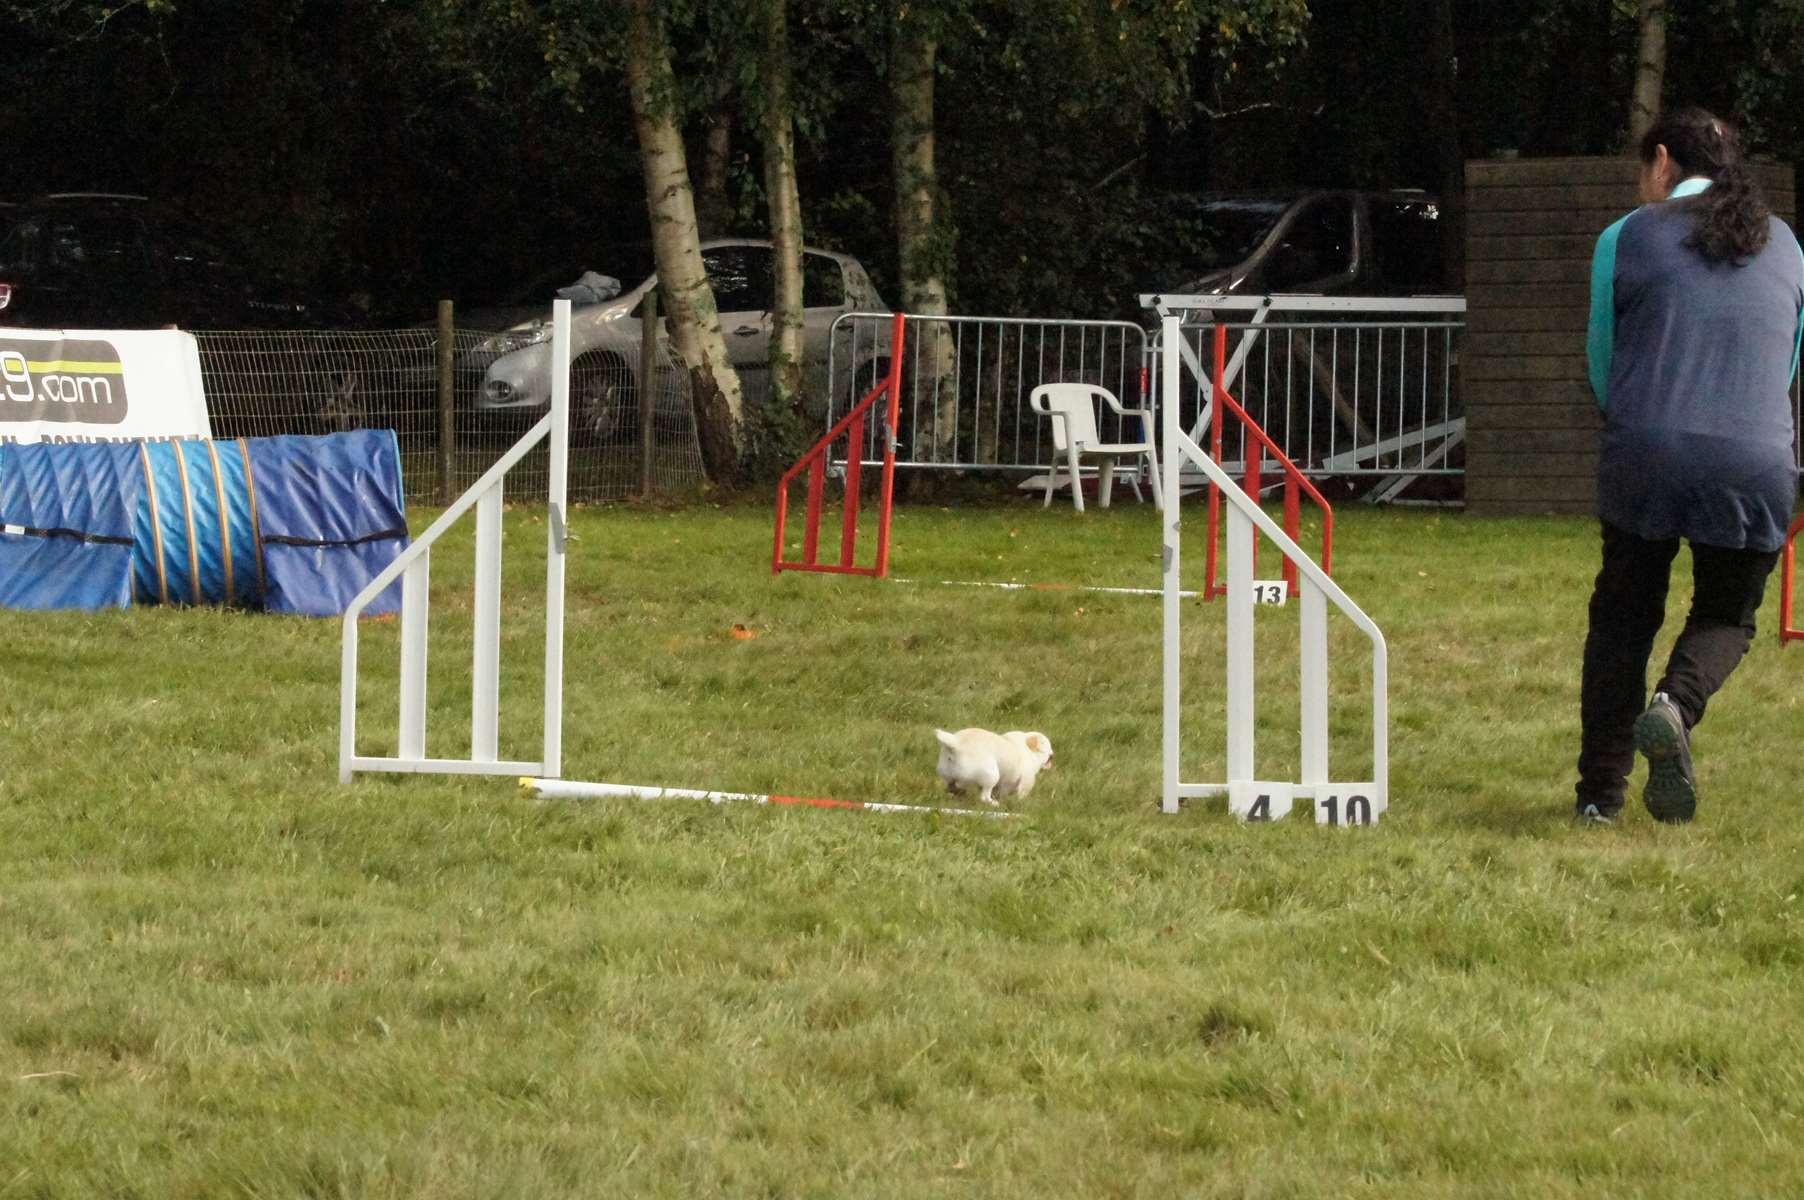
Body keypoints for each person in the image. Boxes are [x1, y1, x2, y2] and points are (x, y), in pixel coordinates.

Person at [1576, 106, 1804, 825]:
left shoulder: (1625, 237)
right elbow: (1786, 363)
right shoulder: (1789, 246)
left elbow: (1601, 360)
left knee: (1623, 621)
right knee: (1728, 615)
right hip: (1757, 456)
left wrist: (1637, 419)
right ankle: (1676, 704)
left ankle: (1599, 799)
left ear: (1664, 161)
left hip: (1648, 446)